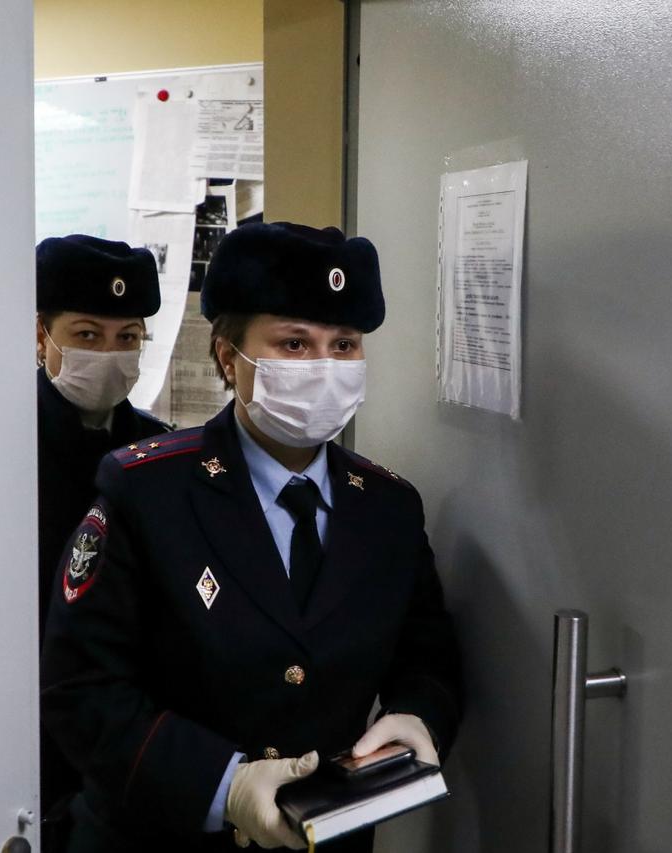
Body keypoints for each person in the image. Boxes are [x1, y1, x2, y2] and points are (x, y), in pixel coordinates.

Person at [41, 222, 463, 852]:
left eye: (343, 344)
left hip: (327, 835)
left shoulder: (388, 511)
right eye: (294, 344)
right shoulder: (146, 493)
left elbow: (429, 658)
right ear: (226, 356)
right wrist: (224, 786)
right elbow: (82, 689)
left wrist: (415, 717)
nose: (323, 367)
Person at [36, 234, 171, 852]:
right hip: (26, 729)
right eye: (87, 336)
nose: (110, 355)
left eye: (128, 338)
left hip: (125, 734)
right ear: (43, 336)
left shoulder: (161, 454)